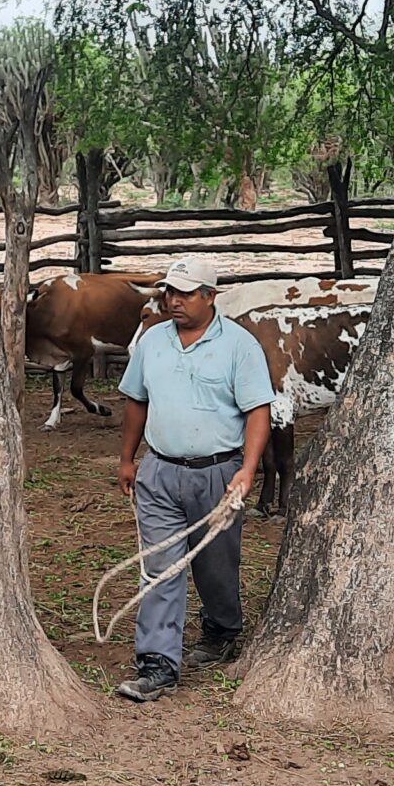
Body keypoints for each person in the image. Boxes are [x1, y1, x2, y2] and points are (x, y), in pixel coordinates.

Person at [112, 254, 276, 703]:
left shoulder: (239, 346)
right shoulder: (153, 341)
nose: (174, 300)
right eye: (169, 291)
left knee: (215, 564)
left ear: (210, 297)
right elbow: (136, 401)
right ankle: (158, 664)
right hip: (160, 469)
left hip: (218, 472)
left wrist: (247, 468)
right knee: (160, 567)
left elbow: (257, 410)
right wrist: (129, 458)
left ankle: (222, 628)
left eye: (185, 293)